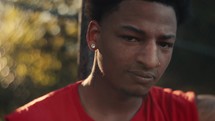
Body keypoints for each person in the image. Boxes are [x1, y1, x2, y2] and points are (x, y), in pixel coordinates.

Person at [5, 0, 215, 121]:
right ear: (94, 36)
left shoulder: (177, 113)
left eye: (164, 44)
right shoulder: (34, 118)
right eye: (131, 38)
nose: (151, 61)